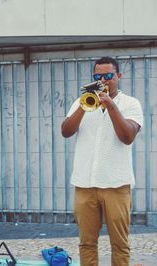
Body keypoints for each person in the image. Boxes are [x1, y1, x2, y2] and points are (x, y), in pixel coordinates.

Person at [61, 56, 143, 266]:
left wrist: (111, 105)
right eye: (98, 77)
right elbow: (66, 131)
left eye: (108, 76)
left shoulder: (131, 103)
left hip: (116, 185)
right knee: (86, 243)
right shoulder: (81, 102)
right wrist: (83, 105)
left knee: (120, 244)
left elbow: (127, 137)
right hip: (84, 184)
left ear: (118, 76)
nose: (104, 81)